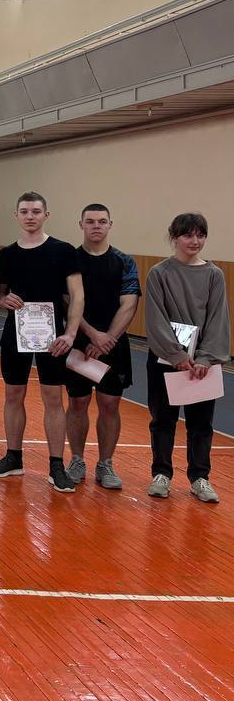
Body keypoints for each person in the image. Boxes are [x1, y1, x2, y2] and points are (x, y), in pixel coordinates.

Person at [0, 191, 84, 493]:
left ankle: (56, 465)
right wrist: (2, 300)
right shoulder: (7, 255)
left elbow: (77, 295)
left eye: (36, 211)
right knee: (13, 395)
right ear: (16, 215)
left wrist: (70, 333)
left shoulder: (64, 251)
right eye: (25, 211)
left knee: (53, 399)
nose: (30, 216)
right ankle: (13, 457)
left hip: (53, 337)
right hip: (15, 334)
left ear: (46, 215)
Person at [144, 213, 229, 504]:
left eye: (200, 235)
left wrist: (205, 358)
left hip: (203, 365)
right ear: (174, 237)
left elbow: (218, 319)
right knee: (163, 420)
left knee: (201, 423)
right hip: (166, 361)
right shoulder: (159, 273)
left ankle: (200, 478)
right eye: (187, 235)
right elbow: (156, 318)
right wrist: (176, 355)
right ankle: (161, 474)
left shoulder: (214, 275)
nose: (194, 241)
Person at [65, 204, 140, 490]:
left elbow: (129, 304)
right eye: (90, 221)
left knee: (109, 404)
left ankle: (105, 464)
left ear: (110, 224)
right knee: (77, 402)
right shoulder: (70, 260)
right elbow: (67, 301)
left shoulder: (124, 261)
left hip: (114, 344)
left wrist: (107, 338)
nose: (96, 226)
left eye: (101, 221)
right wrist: (92, 335)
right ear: (81, 224)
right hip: (79, 342)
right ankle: (77, 460)